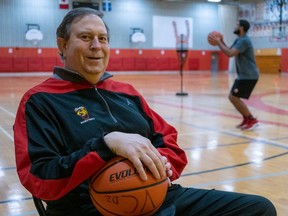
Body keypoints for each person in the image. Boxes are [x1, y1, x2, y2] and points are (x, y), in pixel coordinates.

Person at [14, 8, 276, 216]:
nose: (97, 45)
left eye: (102, 38)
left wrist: (161, 162)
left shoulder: (126, 92)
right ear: (62, 44)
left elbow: (170, 143)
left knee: (260, 209)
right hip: (90, 208)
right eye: (85, 37)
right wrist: (105, 146)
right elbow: (39, 178)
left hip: (155, 195)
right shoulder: (40, 101)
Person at [210, 19, 260, 130]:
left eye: (236, 25)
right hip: (244, 75)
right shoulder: (239, 39)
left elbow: (230, 53)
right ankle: (247, 119)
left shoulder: (244, 41)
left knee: (234, 97)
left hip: (249, 75)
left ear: (241, 28)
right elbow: (229, 49)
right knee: (232, 97)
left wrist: (218, 42)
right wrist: (221, 41)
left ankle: (252, 120)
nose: (235, 27)